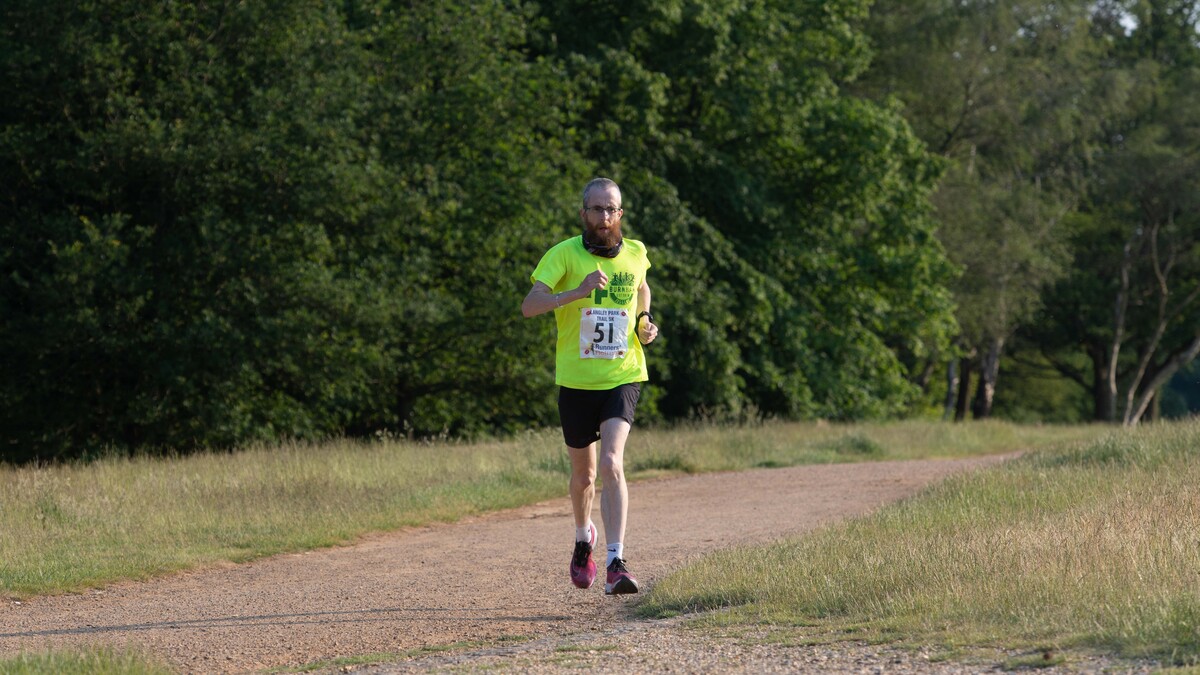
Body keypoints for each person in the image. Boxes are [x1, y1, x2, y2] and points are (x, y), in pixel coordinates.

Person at [521, 177, 659, 595]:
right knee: (584, 477)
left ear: (621, 213)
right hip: (576, 381)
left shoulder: (636, 252)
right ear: (584, 213)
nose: (604, 217)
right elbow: (530, 306)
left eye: (611, 209)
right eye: (596, 209)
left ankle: (617, 562)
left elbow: (642, 286)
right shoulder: (563, 254)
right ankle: (584, 539)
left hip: (622, 374)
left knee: (612, 463)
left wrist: (644, 321)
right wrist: (576, 293)